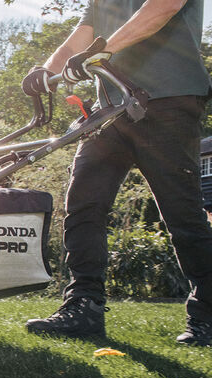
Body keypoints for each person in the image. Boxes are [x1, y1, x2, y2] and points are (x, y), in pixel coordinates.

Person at [21, 0, 212, 346]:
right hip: (111, 108)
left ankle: (208, 316)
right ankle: (84, 306)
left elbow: (163, 7)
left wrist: (102, 52)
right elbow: (79, 40)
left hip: (168, 99)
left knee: (182, 214)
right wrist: (46, 71)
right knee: (83, 203)